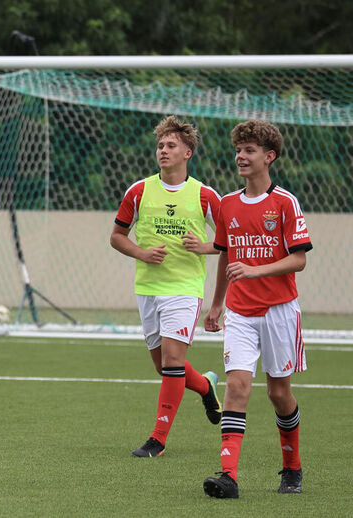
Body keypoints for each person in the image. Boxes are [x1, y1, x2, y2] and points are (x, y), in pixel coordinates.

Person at [202, 120, 312, 499]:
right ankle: (228, 476)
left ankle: (292, 468)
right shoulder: (227, 205)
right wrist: (217, 303)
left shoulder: (285, 202)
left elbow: (298, 260)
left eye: (249, 150)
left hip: (280, 311)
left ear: (269, 157)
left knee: (279, 394)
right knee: (236, 386)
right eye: (238, 149)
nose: (240, 156)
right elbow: (226, 256)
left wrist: (255, 269)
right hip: (240, 312)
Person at [110, 116, 223, 458]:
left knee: (174, 361)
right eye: (160, 145)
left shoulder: (205, 195)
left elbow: (231, 242)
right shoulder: (139, 190)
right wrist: (142, 253)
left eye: (171, 145)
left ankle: (157, 439)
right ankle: (206, 387)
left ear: (187, 152)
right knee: (163, 367)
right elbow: (116, 237)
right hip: (148, 288)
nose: (163, 150)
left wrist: (205, 247)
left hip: (185, 289)